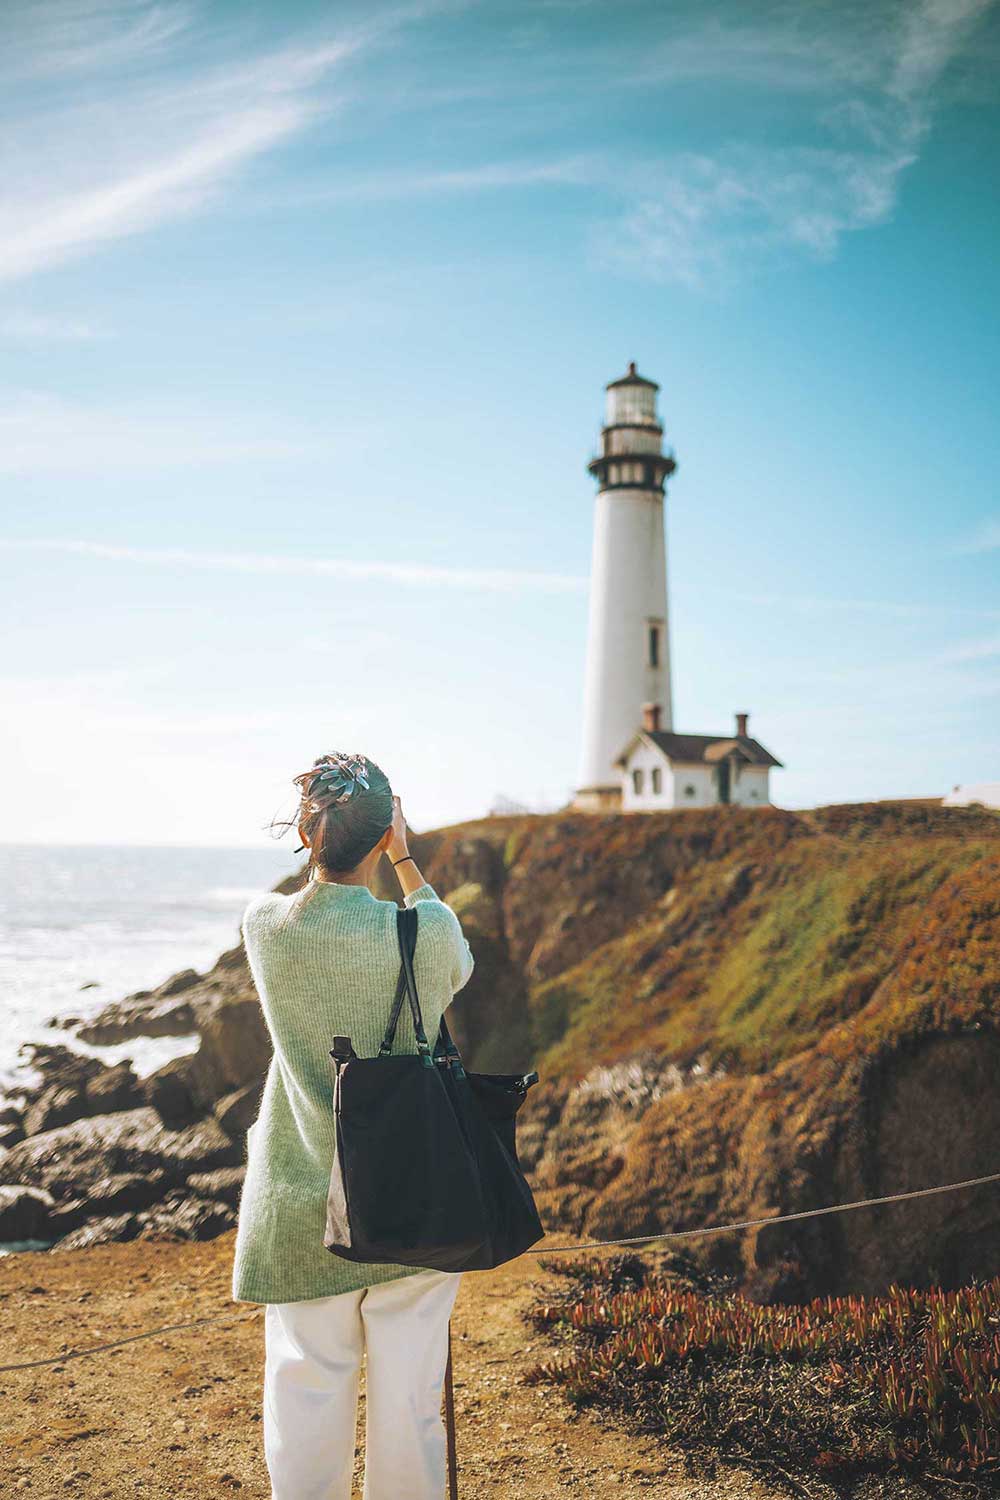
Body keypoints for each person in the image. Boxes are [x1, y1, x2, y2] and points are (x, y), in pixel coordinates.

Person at [231, 751, 475, 1500]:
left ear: (309, 834)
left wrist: (336, 848)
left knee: (304, 1394)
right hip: (414, 1197)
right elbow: (456, 957)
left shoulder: (265, 928)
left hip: (301, 1202)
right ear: (384, 834)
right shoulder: (424, 933)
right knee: (408, 1408)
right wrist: (404, 859)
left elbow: (305, 900)